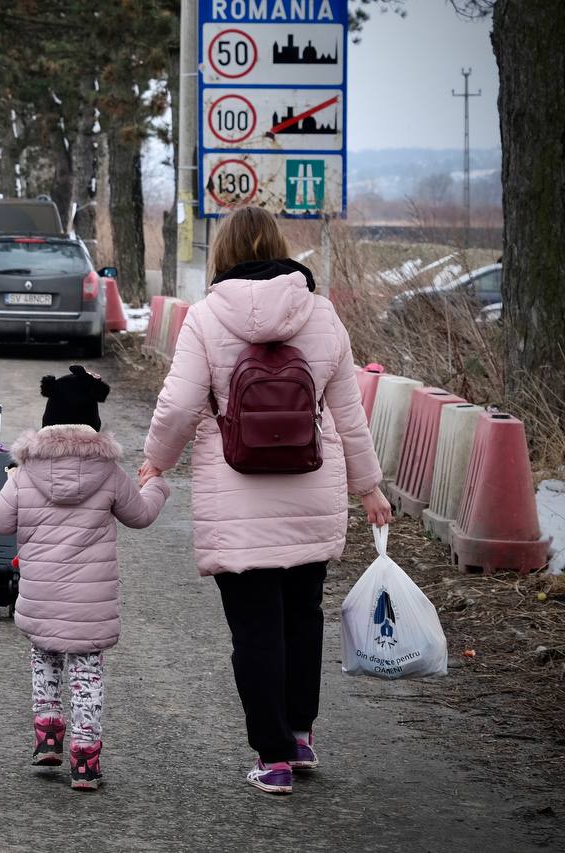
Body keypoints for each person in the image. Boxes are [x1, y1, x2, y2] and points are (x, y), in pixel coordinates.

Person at [138, 205, 392, 796]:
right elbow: (350, 413)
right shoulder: (322, 314)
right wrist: (369, 486)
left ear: (224, 254)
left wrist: (158, 460)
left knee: (255, 629)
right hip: (311, 487)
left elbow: (178, 407)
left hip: (237, 492)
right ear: (281, 248)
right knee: (302, 618)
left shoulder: (205, 318)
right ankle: (300, 737)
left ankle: (273, 758)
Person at [0, 366, 169, 791]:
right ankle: (85, 760)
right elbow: (139, 516)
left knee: (44, 657)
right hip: (90, 605)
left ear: (47, 420)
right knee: (86, 673)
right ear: (95, 423)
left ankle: (48, 734)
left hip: (41, 596)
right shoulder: (108, 473)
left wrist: (11, 480)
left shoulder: (27, 471)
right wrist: (156, 486)